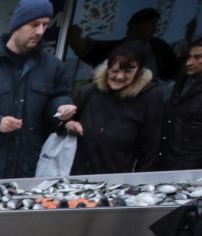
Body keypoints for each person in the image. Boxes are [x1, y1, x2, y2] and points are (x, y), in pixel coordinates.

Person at [0, 0, 75, 181]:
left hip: (30, 167)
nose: (40, 31)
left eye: (45, 25)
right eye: (34, 24)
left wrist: (61, 108)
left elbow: (60, 95)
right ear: (17, 25)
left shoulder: (54, 67)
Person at [66, 42, 162, 175]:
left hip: (116, 180)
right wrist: (68, 124)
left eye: (128, 71)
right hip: (75, 175)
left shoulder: (149, 97)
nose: (119, 76)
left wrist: (140, 183)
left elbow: (150, 147)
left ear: (139, 71)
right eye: (114, 70)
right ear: (107, 69)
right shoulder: (90, 91)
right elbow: (61, 122)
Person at [68, 8, 180, 82]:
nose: (154, 28)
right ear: (135, 26)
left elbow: (175, 71)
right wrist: (74, 35)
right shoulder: (112, 49)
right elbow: (85, 48)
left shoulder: (159, 47)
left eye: (155, 24)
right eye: (150, 24)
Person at [158, 38, 202, 170]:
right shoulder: (181, 83)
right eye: (189, 57)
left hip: (193, 166)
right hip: (168, 158)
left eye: (197, 57)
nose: (189, 62)